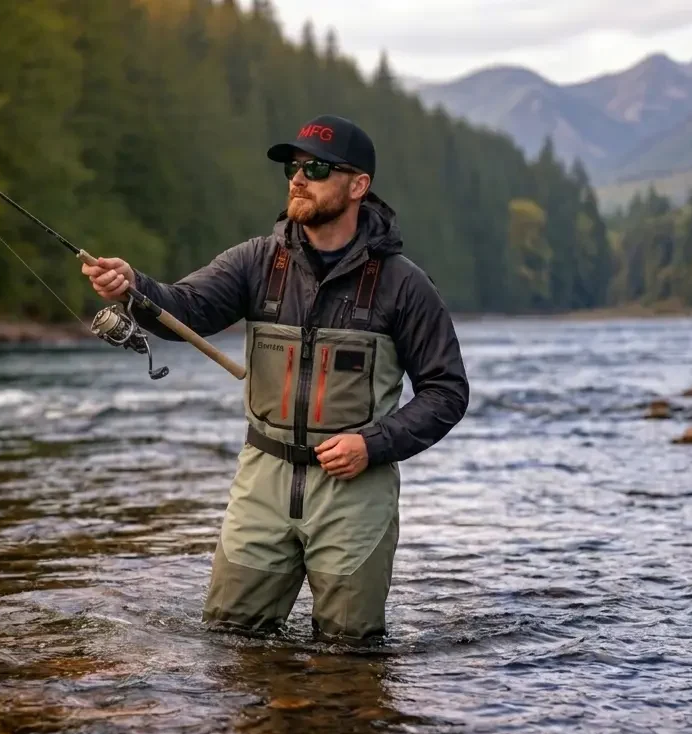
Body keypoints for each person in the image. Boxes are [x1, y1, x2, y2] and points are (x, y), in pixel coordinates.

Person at [81, 115, 470, 645]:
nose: (298, 178)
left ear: (358, 186)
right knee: (228, 643)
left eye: (317, 168)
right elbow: (186, 308)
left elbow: (447, 391)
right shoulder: (256, 262)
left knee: (350, 653)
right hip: (261, 480)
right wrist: (133, 286)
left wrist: (373, 443)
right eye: (294, 166)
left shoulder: (404, 286)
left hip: (354, 490)